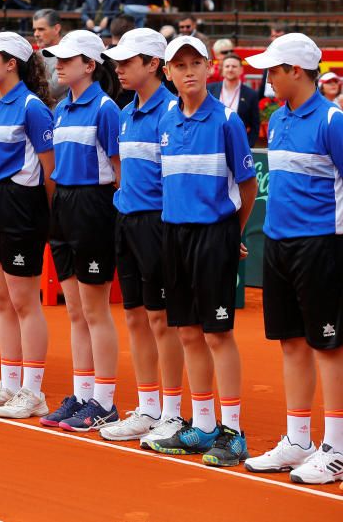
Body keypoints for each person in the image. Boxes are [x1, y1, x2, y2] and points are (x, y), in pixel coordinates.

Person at [144, 34, 257, 467]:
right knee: (188, 332)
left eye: (196, 63)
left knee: (217, 333)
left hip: (213, 237)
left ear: (210, 68)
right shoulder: (167, 118)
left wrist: (232, 233)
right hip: (174, 235)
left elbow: (247, 186)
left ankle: (233, 432)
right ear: (168, 73)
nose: (188, 71)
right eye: (179, 65)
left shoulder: (228, 120)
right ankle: (204, 426)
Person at [241, 34, 343, 483]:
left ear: (295, 72)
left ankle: (337, 448)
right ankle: (299, 440)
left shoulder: (333, 121)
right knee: (291, 343)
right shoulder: (278, 119)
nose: (267, 78)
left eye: (274, 70)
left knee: (328, 345)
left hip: (322, 245)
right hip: (279, 245)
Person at [95, 28, 187, 445]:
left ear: (154, 65)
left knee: (162, 320)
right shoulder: (126, 110)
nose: (119, 68)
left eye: (128, 62)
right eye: (117, 61)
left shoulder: (173, 111)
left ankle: (172, 412)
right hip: (127, 221)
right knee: (134, 315)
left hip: (160, 225)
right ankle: (148, 408)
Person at [0, 32, 57, 418]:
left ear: (11, 64)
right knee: (1, 299)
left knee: (23, 301)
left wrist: (46, 217)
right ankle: (9, 382)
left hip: (21, 205)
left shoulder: (33, 108)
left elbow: (51, 172)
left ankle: (33, 391)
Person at [37, 30, 122, 433]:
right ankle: (82, 393)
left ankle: (104, 401)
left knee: (95, 310)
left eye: (68, 59)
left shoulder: (106, 109)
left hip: (93, 207)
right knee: (75, 312)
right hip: (65, 207)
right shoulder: (61, 108)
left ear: (90, 65)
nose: (59, 63)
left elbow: (120, 173)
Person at [207, 54, 260, 146]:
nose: (230, 69)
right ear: (222, 69)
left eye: (234, 66)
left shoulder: (251, 95)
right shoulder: (209, 90)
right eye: (227, 66)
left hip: (238, 145)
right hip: (212, 143)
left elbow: (255, 125)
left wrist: (247, 146)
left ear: (241, 70)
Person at [32, 8, 68, 105]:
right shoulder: (35, 55)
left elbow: (52, 90)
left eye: (41, 29)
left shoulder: (68, 54)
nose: (36, 34)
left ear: (56, 29)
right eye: (34, 30)